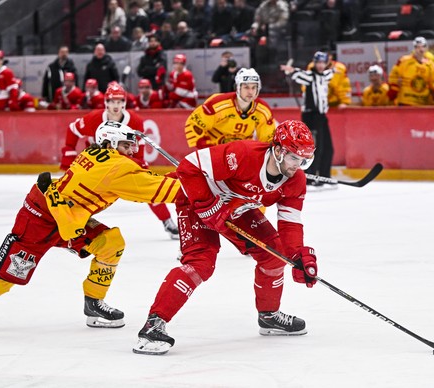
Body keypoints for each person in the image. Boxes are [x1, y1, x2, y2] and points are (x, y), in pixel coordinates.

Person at [0, 121, 181, 334]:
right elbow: (159, 189)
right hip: (39, 220)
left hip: (65, 213)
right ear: (111, 142)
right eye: (127, 145)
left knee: (111, 243)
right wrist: (200, 180)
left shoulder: (101, 155)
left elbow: (142, 180)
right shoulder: (117, 168)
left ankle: (93, 303)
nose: (133, 151)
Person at [133, 120, 319, 355]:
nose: (299, 166)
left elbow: (290, 223)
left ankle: (269, 316)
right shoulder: (243, 154)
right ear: (279, 151)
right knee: (201, 263)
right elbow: (188, 167)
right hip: (197, 200)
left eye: (304, 160)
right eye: (295, 158)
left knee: (275, 255)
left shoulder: (295, 180)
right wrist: (208, 205)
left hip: (235, 207)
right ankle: (153, 325)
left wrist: (298, 255)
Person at [60, 82, 180, 239]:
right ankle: (70, 218)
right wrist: (69, 151)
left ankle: (167, 221)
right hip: (97, 163)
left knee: (146, 184)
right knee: (85, 193)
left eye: (119, 101)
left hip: (120, 163)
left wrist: (140, 164)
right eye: (111, 101)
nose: (115, 106)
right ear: (105, 103)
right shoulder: (94, 118)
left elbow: (138, 150)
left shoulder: (135, 121)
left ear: (124, 102)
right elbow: (72, 129)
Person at [186, 68, 275, 149]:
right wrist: (205, 148)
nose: (250, 92)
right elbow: (194, 123)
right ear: (237, 87)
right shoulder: (217, 104)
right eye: (246, 87)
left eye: (254, 87)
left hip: (242, 152)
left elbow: (268, 140)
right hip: (215, 149)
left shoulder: (263, 110)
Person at [281, 51, 334, 186]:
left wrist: (334, 67)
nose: (321, 65)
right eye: (318, 63)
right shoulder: (310, 76)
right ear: (314, 63)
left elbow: (331, 72)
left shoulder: (326, 75)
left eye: (323, 63)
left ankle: (324, 176)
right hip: (311, 116)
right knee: (315, 148)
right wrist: (291, 71)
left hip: (322, 116)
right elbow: (298, 74)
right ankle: (310, 177)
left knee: (328, 148)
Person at [387, 37, 434, 106]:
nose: (420, 49)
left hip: (422, 103)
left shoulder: (431, 65)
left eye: (423, 46)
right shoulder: (404, 61)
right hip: (405, 102)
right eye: (418, 47)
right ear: (414, 48)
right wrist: (394, 87)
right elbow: (394, 76)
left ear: (426, 48)